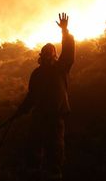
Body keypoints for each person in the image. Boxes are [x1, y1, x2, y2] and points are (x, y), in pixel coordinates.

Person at [16, 13, 75, 181]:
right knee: (35, 147)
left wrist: (65, 31)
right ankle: (34, 173)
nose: (48, 55)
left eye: (51, 52)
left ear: (55, 54)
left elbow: (69, 52)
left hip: (55, 117)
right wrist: (21, 110)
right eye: (45, 53)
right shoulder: (37, 74)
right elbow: (32, 96)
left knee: (55, 149)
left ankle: (54, 175)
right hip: (39, 116)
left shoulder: (61, 68)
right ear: (42, 55)